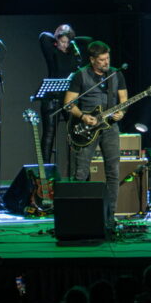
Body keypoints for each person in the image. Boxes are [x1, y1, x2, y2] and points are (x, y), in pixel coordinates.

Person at [63, 40, 128, 226]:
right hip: (86, 129)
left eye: (107, 58)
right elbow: (68, 104)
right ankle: (77, 216)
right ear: (92, 60)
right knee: (81, 172)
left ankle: (110, 216)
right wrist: (83, 116)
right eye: (101, 60)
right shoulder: (80, 75)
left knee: (113, 172)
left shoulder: (116, 74)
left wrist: (122, 112)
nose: (106, 62)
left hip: (110, 128)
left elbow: (124, 100)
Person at [37, 24, 88, 163]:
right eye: (61, 41)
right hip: (52, 97)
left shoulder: (73, 53)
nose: (63, 45)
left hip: (68, 97)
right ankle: (45, 168)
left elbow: (88, 40)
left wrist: (72, 40)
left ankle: (80, 166)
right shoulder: (51, 50)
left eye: (66, 42)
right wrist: (59, 35)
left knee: (76, 130)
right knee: (49, 134)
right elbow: (43, 36)